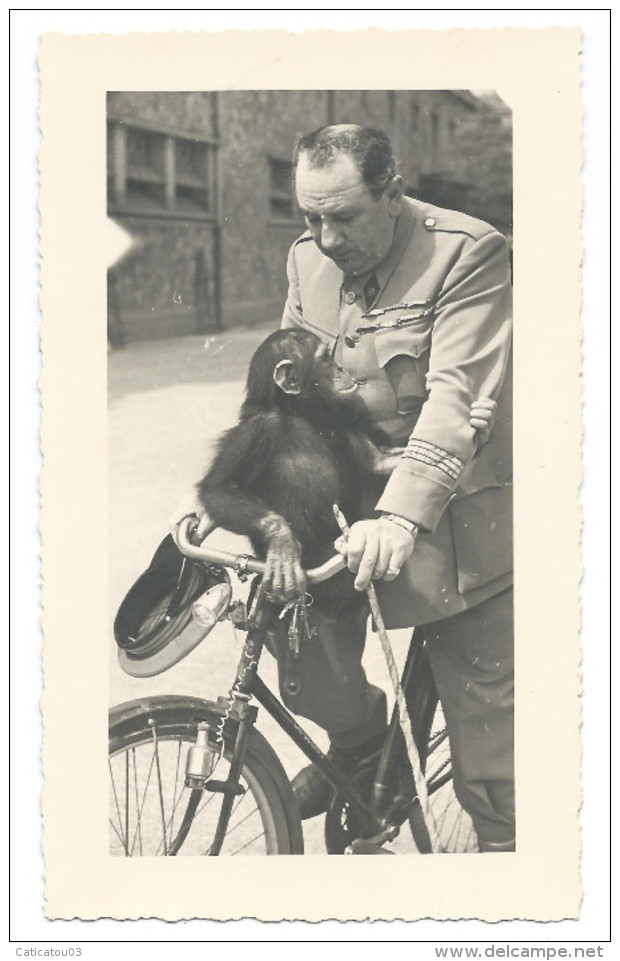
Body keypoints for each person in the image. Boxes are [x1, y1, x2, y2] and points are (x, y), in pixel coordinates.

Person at [279, 124, 514, 852]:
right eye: (309, 217)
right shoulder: (306, 263)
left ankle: (518, 879)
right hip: (353, 511)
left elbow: (454, 403)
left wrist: (400, 518)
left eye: (343, 217)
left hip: (455, 522)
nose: (324, 238)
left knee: (496, 774)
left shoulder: (467, 251)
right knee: (292, 631)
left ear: (393, 191)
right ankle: (359, 743)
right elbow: (285, 390)